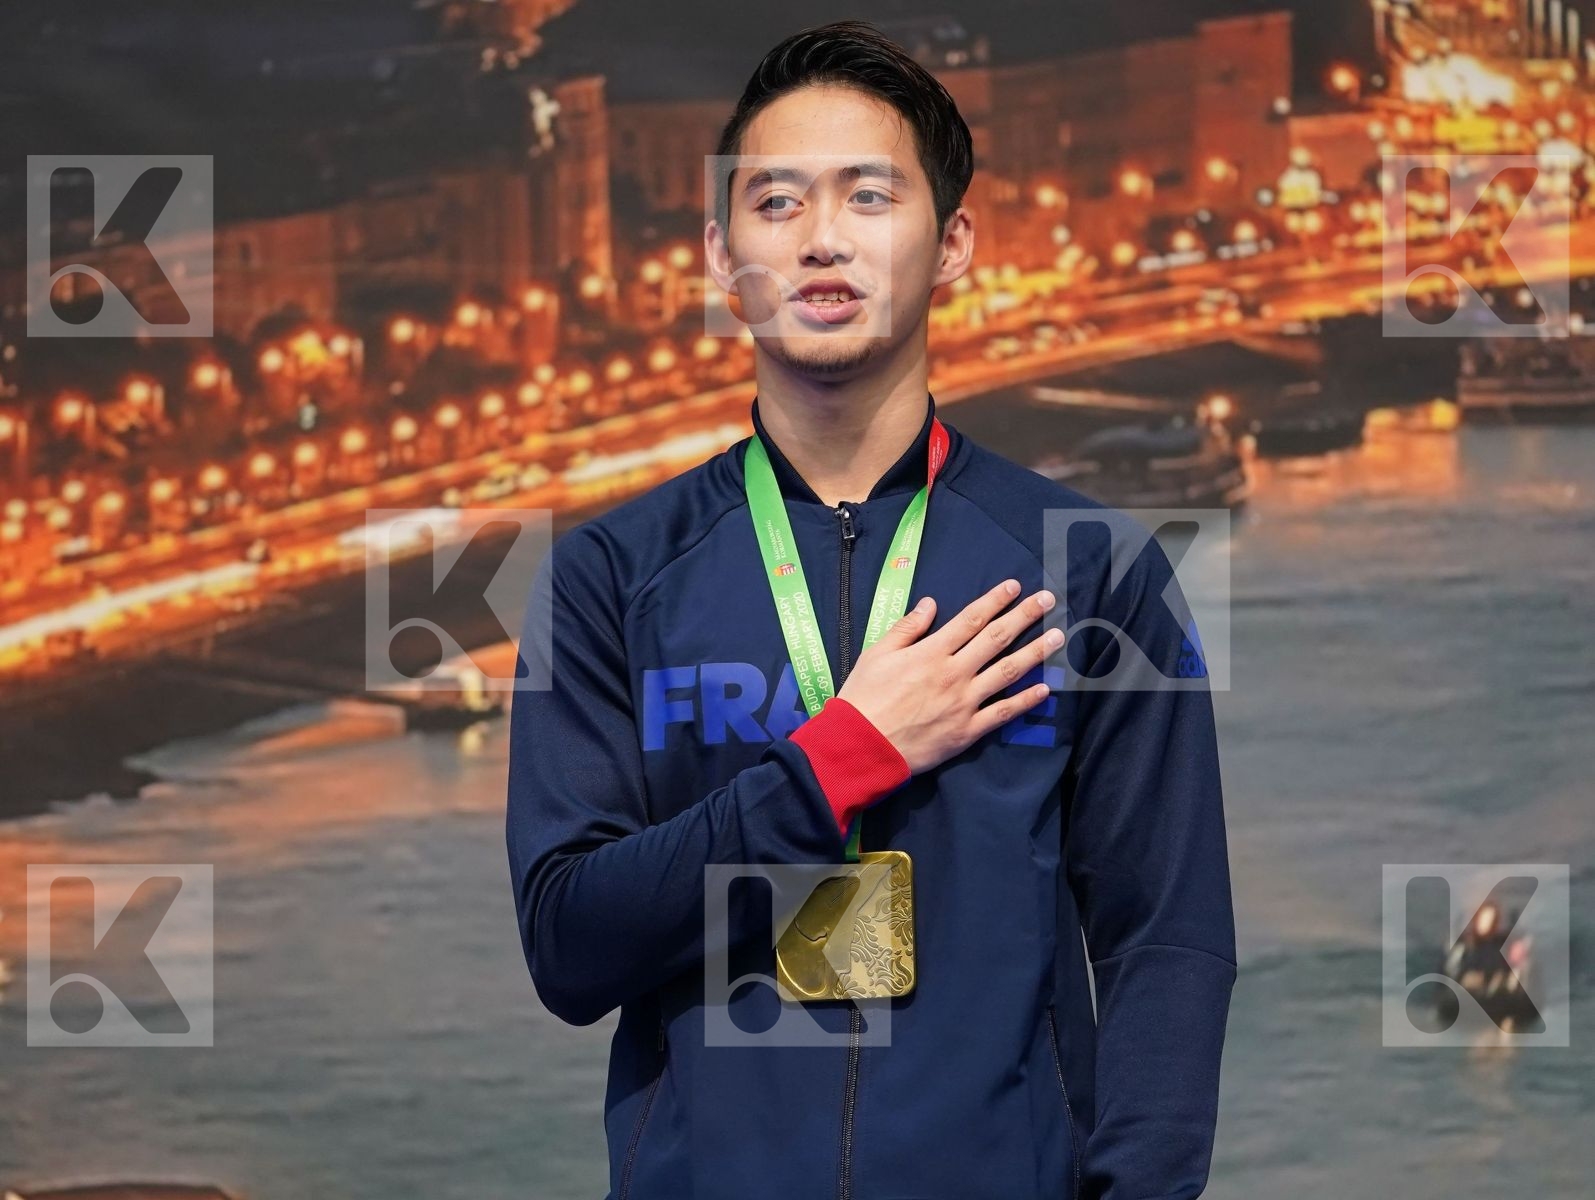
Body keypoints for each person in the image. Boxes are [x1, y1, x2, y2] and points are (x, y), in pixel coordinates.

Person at [507, 20, 1236, 1200]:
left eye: (868, 195)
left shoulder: (1092, 571)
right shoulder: (607, 577)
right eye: (776, 202)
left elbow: (1166, 940)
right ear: (719, 254)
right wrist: (836, 761)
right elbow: (568, 946)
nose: (821, 238)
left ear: (951, 246)